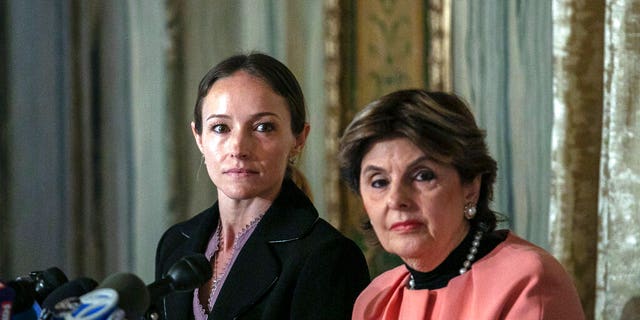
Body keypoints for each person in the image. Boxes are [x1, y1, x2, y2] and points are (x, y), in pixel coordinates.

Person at [155, 52, 370, 319]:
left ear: (298, 138)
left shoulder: (328, 257)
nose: (238, 148)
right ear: (199, 137)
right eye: (220, 128)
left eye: (263, 127)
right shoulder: (176, 243)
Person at [338, 89, 585, 319]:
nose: (396, 200)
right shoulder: (375, 301)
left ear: (471, 187)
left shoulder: (528, 281)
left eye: (423, 176)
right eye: (379, 182)